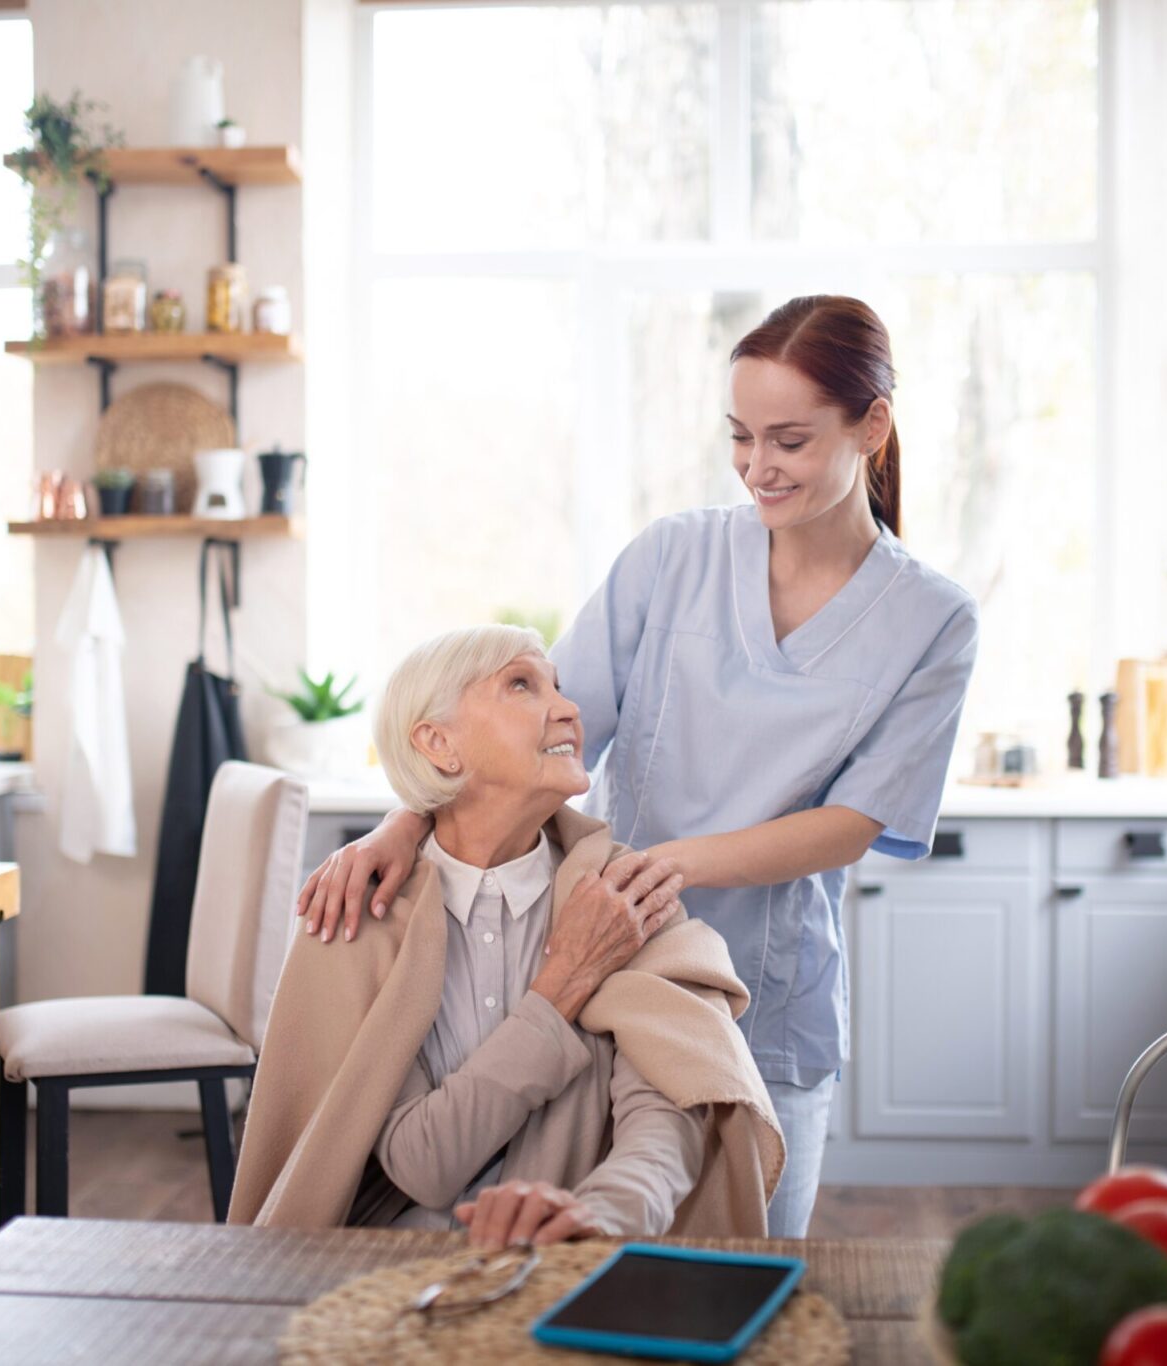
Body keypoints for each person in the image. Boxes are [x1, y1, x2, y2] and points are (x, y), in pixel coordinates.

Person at [297, 296, 980, 1237]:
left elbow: (858, 821)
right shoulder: (674, 558)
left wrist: (672, 865)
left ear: (872, 425)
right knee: (589, 1258)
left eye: (788, 440)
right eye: (740, 437)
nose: (756, 468)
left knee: (746, 1269)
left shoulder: (933, 618)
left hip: (766, 1000)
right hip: (604, 970)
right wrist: (403, 821)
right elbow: (541, 731)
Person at [232, 625, 782, 1245]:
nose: (569, 709)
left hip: (576, 1266)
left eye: (558, 686)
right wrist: (561, 985)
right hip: (385, 1268)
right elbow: (422, 1163)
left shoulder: (624, 896)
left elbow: (668, 1113)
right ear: (439, 743)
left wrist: (605, 1212)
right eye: (520, 685)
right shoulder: (362, 915)